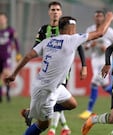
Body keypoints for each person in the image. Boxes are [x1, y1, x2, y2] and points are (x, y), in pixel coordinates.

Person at [4, 11, 113, 135]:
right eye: (74, 28)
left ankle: (31, 112)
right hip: (46, 91)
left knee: (72, 104)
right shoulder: (72, 39)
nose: (76, 30)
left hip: (52, 86)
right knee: (43, 124)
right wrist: (109, 19)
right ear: (70, 29)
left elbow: (28, 56)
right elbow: (100, 33)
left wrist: (14, 74)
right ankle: (31, 115)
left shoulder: (48, 41)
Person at [20, 2, 87, 135]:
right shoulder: (44, 30)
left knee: (61, 101)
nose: (55, 12)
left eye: (57, 10)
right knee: (59, 101)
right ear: (49, 12)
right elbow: (36, 48)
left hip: (64, 72)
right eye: (53, 10)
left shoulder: (68, 28)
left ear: (61, 13)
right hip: (49, 73)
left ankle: (46, 122)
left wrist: (84, 66)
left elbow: (79, 46)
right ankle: (55, 128)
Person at [78, 10, 113, 120]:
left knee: (94, 82)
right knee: (105, 86)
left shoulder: (109, 31)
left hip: (105, 60)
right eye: (96, 17)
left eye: (100, 16)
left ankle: (89, 110)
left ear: (103, 18)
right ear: (94, 18)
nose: (98, 19)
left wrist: (107, 48)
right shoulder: (90, 30)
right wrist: (91, 45)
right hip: (95, 59)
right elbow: (85, 45)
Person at [0, 12, 21, 103]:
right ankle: (0, 95)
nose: (1, 20)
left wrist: (18, 53)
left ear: (6, 19)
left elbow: (16, 41)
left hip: (6, 57)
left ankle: (8, 93)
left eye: (2, 18)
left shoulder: (10, 30)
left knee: (6, 74)